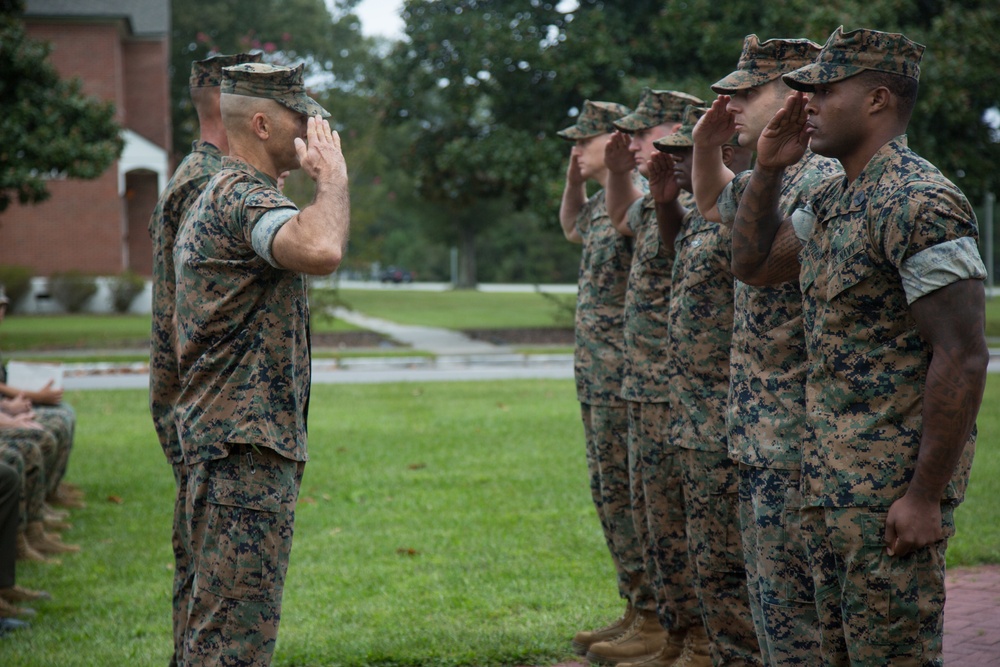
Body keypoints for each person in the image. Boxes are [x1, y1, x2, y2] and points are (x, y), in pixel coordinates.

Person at [731, 26, 988, 664]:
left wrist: (925, 496)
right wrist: (766, 170)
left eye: (824, 89)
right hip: (826, 488)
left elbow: (962, 355)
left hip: (887, 501)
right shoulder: (833, 194)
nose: (806, 103)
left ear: (877, 100)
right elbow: (753, 264)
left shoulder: (920, 202)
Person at [173, 61, 349, 666]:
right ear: (262, 124)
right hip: (242, 452)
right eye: (302, 119)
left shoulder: (228, 191)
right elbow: (321, 248)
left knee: (211, 628)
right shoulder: (240, 196)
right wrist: (332, 181)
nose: (315, 130)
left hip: (230, 446)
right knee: (232, 646)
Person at [690, 35, 841, 665]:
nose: (733, 103)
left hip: (801, 435)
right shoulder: (765, 176)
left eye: (748, 92)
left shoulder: (823, 177)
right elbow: (709, 200)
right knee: (772, 610)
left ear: (796, 96)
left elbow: (758, 261)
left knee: (801, 620)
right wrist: (704, 145)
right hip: (760, 429)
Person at [147, 51, 260, 667]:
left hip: (200, 404)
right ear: (234, 105)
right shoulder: (207, 183)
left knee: (204, 579)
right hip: (211, 407)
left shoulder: (201, 173)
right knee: (217, 592)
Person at [591, 88, 709, 667]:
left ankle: (692, 636)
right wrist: (621, 173)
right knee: (649, 517)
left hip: (677, 390)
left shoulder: (712, 198)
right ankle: (666, 627)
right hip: (643, 384)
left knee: (685, 524)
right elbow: (621, 217)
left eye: (645, 133)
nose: (634, 143)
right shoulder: (660, 198)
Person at [650, 107, 761, 666]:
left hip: (727, 412)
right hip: (693, 411)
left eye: (686, 154)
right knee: (705, 552)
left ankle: (726, 652)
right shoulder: (701, 210)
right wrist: (667, 199)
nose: (677, 164)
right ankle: (700, 646)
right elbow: (674, 249)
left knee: (730, 559)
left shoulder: (746, 205)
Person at [556, 99, 649, 660]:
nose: (575, 149)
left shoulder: (636, 198)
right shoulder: (597, 206)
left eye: (583, 141)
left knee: (631, 500)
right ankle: (637, 609)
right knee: (610, 496)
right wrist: (573, 177)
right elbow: (570, 225)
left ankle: (657, 618)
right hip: (596, 376)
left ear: (614, 141)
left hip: (623, 375)